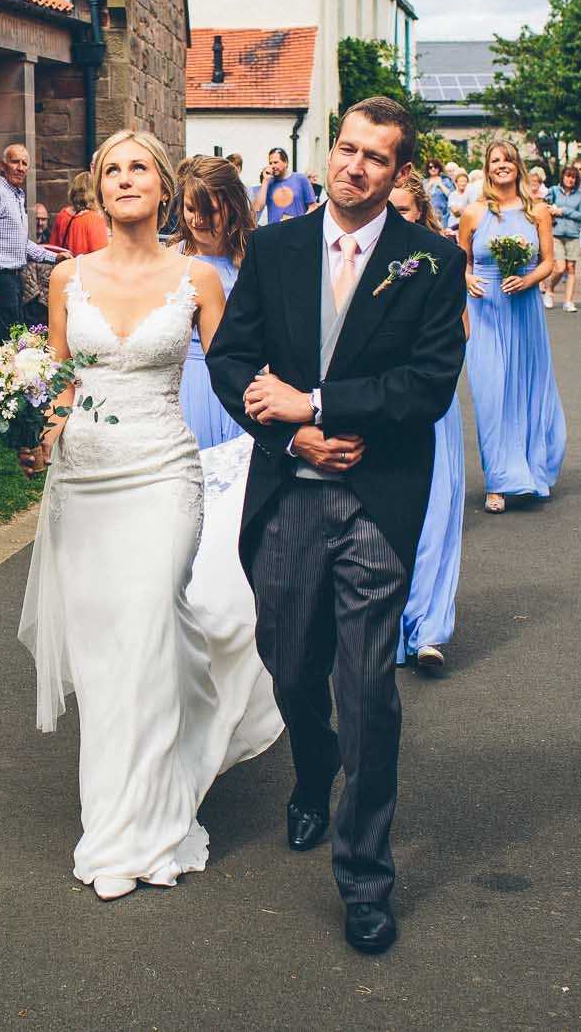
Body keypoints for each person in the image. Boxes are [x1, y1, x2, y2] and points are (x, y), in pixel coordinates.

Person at [207, 95, 467, 956]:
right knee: (290, 665)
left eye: (376, 157)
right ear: (331, 152)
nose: (356, 167)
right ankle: (311, 769)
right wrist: (290, 426)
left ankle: (365, 875)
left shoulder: (430, 261)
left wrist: (322, 401)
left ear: (399, 173)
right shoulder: (275, 249)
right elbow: (231, 358)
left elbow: (426, 386)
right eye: (347, 149)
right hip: (286, 493)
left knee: (366, 691)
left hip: (374, 503)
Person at [14, 131, 279, 902]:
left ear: (163, 189)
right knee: (104, 655)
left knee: (152, 624)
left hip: (166, 471)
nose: (124, 179)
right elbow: (60, 385)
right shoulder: (66, 277)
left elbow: (233, 376)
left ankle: (158, 821)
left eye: (138, 168)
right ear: (97, 190)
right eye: (110, 170)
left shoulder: (198, 277)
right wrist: (37, 441)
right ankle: (112, 826)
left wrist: (288, 429)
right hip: (86, 481)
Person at [456, 139, 567, 513]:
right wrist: (467, 280)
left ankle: (530, 470)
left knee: (525, 388)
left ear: (517, 167)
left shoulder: (537, 210)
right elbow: (462, 261)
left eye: (507, 160)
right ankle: (497, 482)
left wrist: (527, 280)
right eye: (494, 161)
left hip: (523, 308)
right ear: (487, 169)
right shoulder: (472, 213)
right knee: (490, 394)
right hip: (486, 308)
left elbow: (548, 261)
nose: (501, 165)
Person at [387, 174, 465, 671]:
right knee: (390, 518)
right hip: (380, 406)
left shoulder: (437, 261)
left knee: (437, 514)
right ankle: (386, 628)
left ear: (422, 213)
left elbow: (459, 335)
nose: (397, 220)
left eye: (406, 212)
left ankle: (430, 629)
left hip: (430, 406)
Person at [177, 156, 254, 450]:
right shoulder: (174, 259)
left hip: (242, 382)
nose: (197, 220)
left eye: (209, 211)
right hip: (188, 382)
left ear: (232, 207)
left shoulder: (253, 258)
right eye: (190, 209)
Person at [0, 143, 62, 347]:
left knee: (16, 343)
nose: (20, 167)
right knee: (9, 344)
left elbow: (22, 244)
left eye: (25, 163)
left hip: (15, 280)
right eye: (15, 162)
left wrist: (55, 257)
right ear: (3, 165)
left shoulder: (16, 197)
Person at [544, 163, 581, 312]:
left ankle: (568, 301)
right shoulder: (554, 191)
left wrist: (564, 211)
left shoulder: (579, 196)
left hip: (573, 234)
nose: (571, 180)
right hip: (556, 233)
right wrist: (552, 210)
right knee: (560, 267)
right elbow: (544, 206)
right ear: (563, 177)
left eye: (574, 177)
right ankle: (550, 290)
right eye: (568, 176)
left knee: (571, 268)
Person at [250, 146, 320, 224]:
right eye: (270, 163)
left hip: (297, 231)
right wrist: (265, 181)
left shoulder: (300, 179)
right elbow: (257, 208)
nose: (272, 166)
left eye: (276, 162)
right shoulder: (268, 182)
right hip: (275, 232)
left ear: (286, 162)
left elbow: (313, 206)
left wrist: (301, 221)